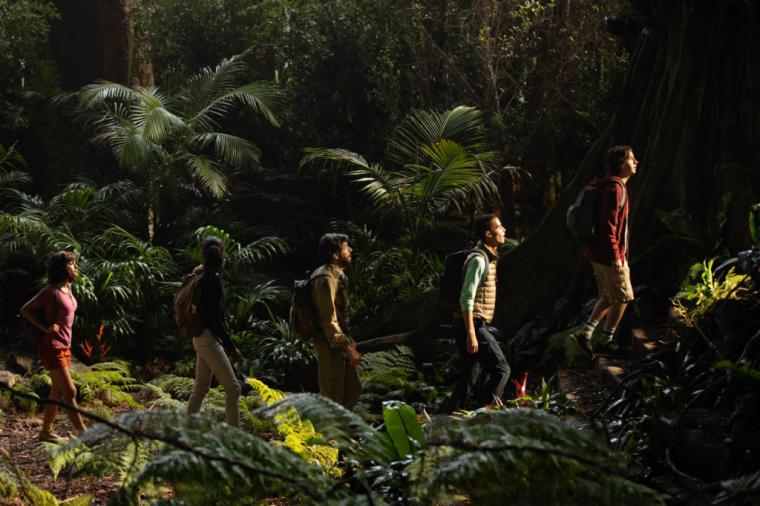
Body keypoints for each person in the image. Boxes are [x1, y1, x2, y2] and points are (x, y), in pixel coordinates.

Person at [573, 145, 638, 356]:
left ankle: (586, 333)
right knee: (624, 297)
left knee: (608, 296)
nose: (635, 162)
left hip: (598, 253)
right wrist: (616, 256)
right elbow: (608, 226)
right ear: (621, 163)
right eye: (631, 159)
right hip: (608, 255)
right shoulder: (614, 188)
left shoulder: (610, 186)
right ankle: (606, 340)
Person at [21, 251, 87, 441]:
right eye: (72, 263)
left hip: (64, 346)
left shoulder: (68, 288)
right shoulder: (50, 292)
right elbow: (25, 310)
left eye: (75, 263)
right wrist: (45, 327)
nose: (76, 267)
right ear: (62, 268)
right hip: (51, 346)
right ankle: (85, 436)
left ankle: (45, 432)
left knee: (56, 392)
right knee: (70, 391)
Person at [448, 214, 511, 412]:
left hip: (468, 324)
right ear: (488, 234)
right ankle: (486, 412)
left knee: (469, 376)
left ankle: (448, 416)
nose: (504, 230)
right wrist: (472, 334)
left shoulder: (489, 257)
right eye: (499, 227)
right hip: (471, 324)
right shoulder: (478, 260)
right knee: (502, 369)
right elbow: (466, 298)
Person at [186, 236, 243, 427]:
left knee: (201, 387)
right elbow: (214, 320)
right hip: (209, 339)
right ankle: (234, 438)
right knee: (233, 389)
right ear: (222, 255)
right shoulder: (213, 281)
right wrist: (232, 347)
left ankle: (188, 432)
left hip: (198, 337)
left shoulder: (198, 275)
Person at [310, 233, 362, 409]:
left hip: (339, 343)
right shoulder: (325, 278)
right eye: (346, 247)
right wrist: (347, 346)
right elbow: (328, 319)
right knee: (333, 397)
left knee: (352, 389)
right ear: (335, 254)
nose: (350, 250)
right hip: (328, 344)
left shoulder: (336, 275)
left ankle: (343, 432)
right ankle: (331, 435)